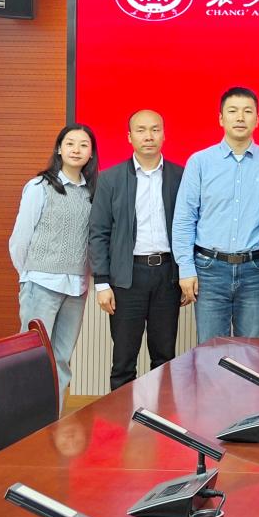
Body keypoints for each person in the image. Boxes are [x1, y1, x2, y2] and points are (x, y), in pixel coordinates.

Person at [172, 86, 259, 342]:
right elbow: (184, 219)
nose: (240, 117)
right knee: (211, 352)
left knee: (254, 353)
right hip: (209, 270)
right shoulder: (200, 162)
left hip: (256, 271)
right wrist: (186, 269)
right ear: (221, 118)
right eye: (233, 111)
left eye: (247, 111)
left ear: (257, 119)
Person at [88, 110, 185, 391]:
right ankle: (123, 420)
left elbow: (189, 226)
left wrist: (187, 273)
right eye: (141, 130)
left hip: (167, 275)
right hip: (126, 277)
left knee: (164, 357)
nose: (148, 136)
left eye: (155, 129)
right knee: (123, 360)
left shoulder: (180, 176)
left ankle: (161, 416)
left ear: (164, 135)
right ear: (129, 137)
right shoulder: (111, 178)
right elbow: (98, 232)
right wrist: (102, 282)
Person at [9, 123, 99, 402]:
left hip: (77, 288)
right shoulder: (40, 187)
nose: (76, 149)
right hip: (41, 284)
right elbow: (20, 238)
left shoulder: (92, 192)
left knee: (61, 359)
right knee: (32, 358)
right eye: (70, 143)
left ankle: (53, 421)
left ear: (91, 153)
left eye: (83, 145)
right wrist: (28, 274)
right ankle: (24, 422)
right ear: (59, 149)